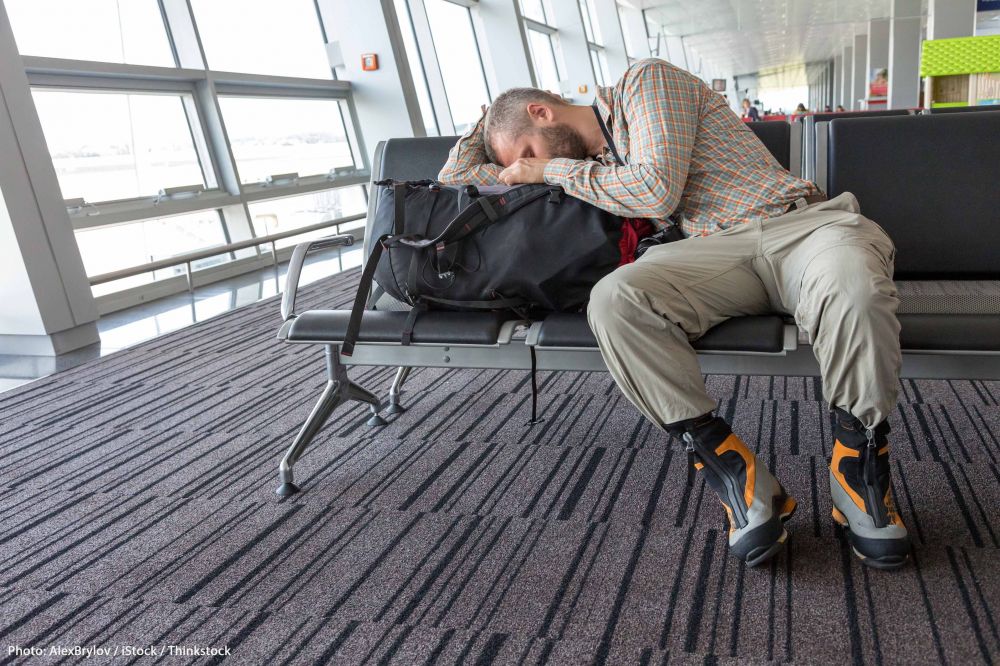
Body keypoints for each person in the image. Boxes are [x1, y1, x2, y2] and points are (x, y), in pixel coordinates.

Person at [438, 59, 910, 570]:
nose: (527, 167)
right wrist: (483, 123)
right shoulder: (590, 162)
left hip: (800, 228)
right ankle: (734, 472)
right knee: (614, 300)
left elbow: (655, 189)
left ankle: (859, 470)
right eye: (524, 162)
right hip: (709, 252)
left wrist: (547, 169)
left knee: (853, 289)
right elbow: (454, 179)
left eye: (527, 151)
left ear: (542, 112)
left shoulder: (645, 82)